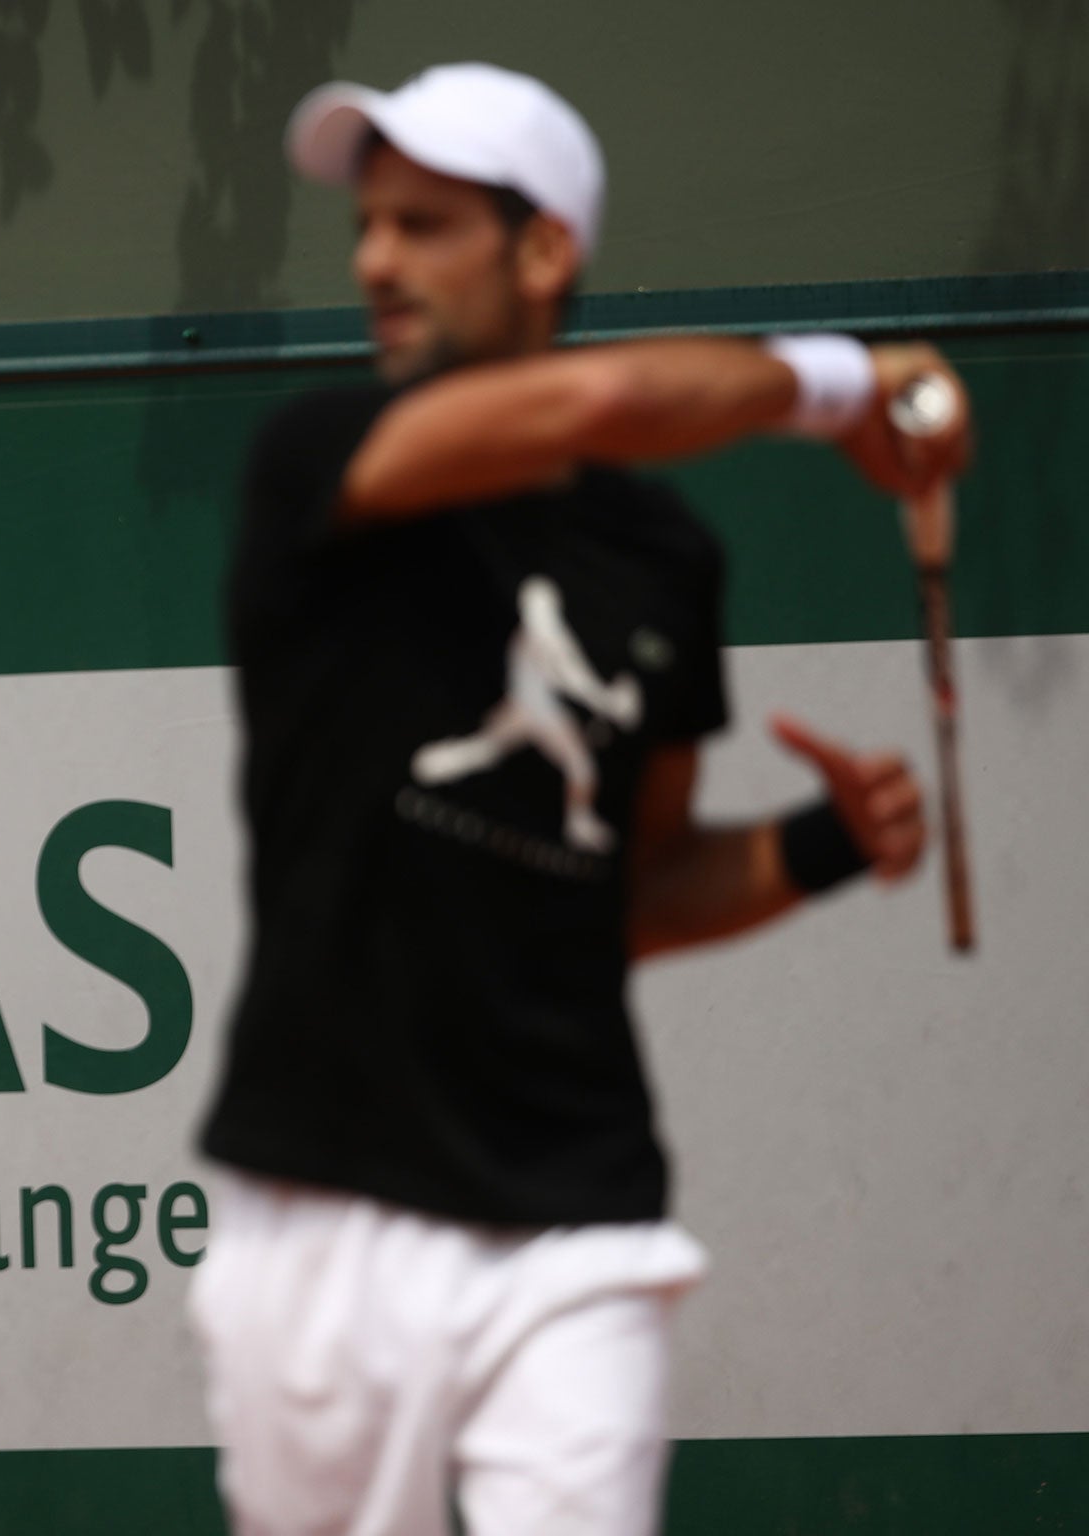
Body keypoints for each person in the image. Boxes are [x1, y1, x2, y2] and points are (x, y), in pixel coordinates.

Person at [189, 63, 970, 1536]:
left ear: (544, 252)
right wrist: (848, 383)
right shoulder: (321, 463)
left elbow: (627, 892)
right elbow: (603, 393)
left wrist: (818, 846)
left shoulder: (665, 558)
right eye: (368, 225)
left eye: (423, 225)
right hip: (317, 1212)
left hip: (577, 1214)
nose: (373, 260)